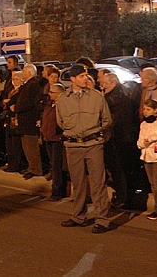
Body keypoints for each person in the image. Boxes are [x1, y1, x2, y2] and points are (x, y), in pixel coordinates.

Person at [56, 64, 113, 233]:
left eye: (86, 76)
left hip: (93, 144)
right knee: (78, 183)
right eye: (81, 76)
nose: (85, 78)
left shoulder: (96, 97)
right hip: (73, 145)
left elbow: (107, 120)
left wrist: (97, 134)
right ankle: (78, 216)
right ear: (72, 79)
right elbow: (60, 122)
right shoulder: (63, 99)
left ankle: (102, 219)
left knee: (98, 183)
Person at [101, 72, 139, 209]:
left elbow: (110, 119)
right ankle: (124, 196)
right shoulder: (122, 94)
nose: (102, 86)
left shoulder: (113, 99)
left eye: (105, 83)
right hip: (122, 137)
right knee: (121, 169)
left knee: (119, 169)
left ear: (113, 83)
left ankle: (122, 197)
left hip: (118, 138)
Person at [12, 64, 44, 179]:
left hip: (29, 121)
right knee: (27, 146)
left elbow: (29, 102)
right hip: (24, 121)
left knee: (31, 147)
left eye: (24, 72)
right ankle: (32, 167)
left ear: (30, 73)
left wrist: (17, 108)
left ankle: (36, 169)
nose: (22, 73)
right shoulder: (27, 85)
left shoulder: (33, 85)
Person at [41, 83, 67, 201]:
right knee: (54, 164)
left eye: (51, 92)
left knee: (57, 166)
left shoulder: (62, 105)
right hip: (49, 137)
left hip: (57, 139)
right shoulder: (49, 105)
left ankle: (58, 191)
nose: (49, 94)